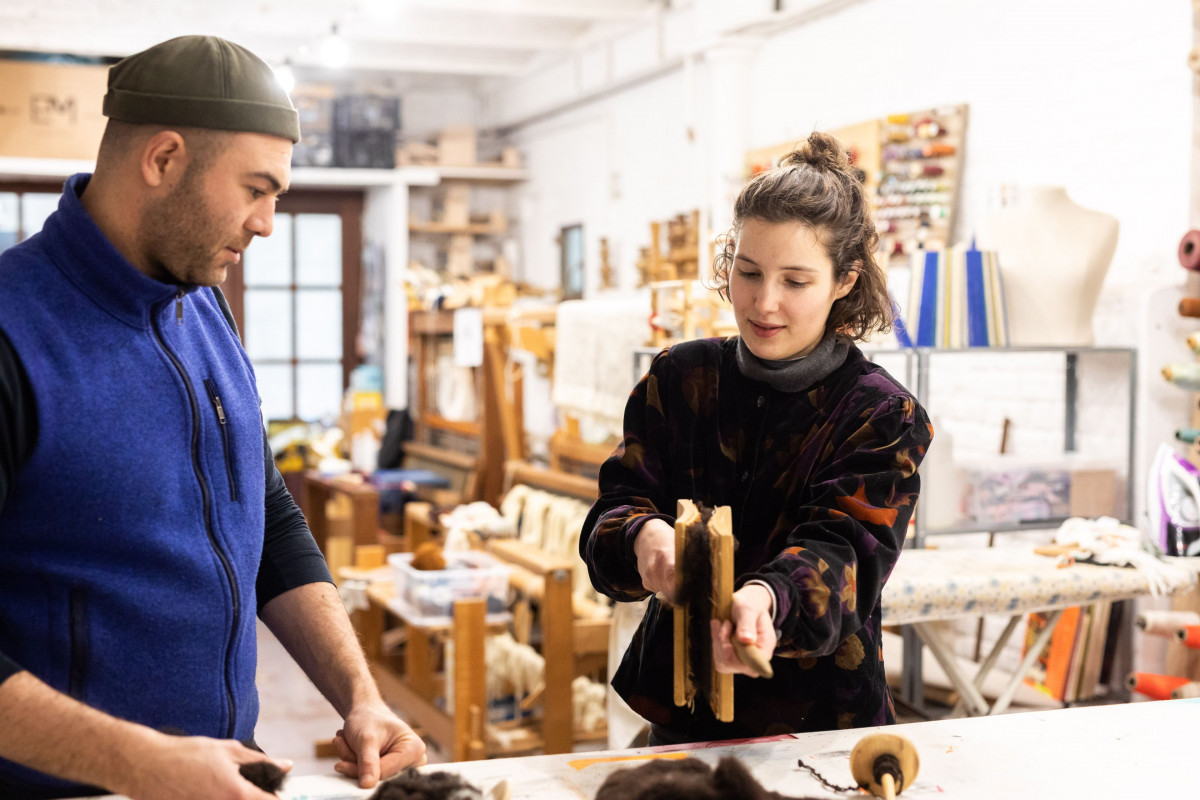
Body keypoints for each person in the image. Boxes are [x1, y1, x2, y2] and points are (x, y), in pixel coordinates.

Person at [0, 36, 425, 799]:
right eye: (255, 189)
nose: (266, 223)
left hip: (219, 778)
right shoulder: (11, 333)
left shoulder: (205, 308)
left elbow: (265, 521)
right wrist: (142, 765)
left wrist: (360, 695)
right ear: (163, 160)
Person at [580, 131, 933, 746]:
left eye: (795, 281)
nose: (763, 303)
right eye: (748, 272)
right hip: (682, 707)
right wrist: (640, 536)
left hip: (820, 721)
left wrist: (770, 600)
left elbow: (844, 553)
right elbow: (614, 511)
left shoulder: (881, 414)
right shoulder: (679, 378)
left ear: (845, 280)